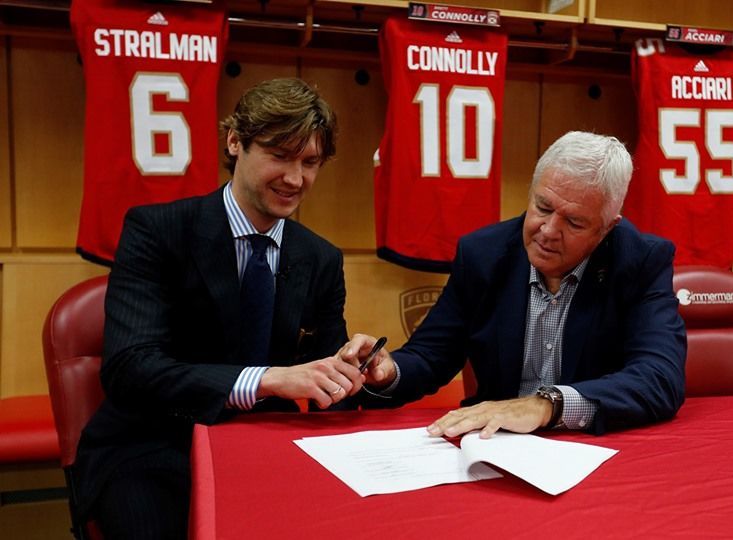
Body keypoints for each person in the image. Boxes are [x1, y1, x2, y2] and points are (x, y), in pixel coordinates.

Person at [74, 78, 364, 539]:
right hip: (157, 446)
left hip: (270, 448)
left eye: (310, 162)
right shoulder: (157, 230)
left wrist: (359, 369)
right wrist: (266, 379)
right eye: (280, 155)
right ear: (235, 142)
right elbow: (131, 368)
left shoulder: (320, 258)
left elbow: (328, 375)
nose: (295, 179)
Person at [344, 131, 687, 438]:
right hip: (495, 442)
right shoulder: (483, 254)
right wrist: (389, 372)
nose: (549, 230)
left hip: (591, 445)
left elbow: (659, 378)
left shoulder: (640, 260)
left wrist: (546, 406)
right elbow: (432, 356)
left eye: (575, 222)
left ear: (607, 228)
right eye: (542, 207)